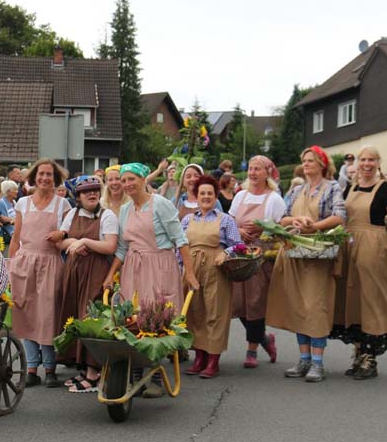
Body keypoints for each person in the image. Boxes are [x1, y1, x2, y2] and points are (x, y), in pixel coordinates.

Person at [104, 164, 194, 397]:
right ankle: (134, 373)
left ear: (144, 179)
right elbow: (123, 247)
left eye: (131, 179)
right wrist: (109, 275)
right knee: (131, 317)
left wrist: (190, 274)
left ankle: (154, 374)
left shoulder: (160, 204)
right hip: (133, 267)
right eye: (124, 181)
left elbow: (180, 240)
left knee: (155, 318)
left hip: (159, 264)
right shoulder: (124, 209)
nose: (127, 185)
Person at [265, 146, 347, 382]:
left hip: (319, 255)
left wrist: (315, 226)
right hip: (295, 255)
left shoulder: (332, 187)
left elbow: (340, 216)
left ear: (322, 164)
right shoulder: (297, 189)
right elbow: (283, 218)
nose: (307, 163)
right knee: (300, 306)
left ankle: (318, 363)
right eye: (304, 160)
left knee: (315, 307)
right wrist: (297, 220)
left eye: (311, 160)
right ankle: (304, 360)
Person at [330, 146, 387, 379]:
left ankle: (370, 357)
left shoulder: (385, 189)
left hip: (374, 245)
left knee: (371, 298)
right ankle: (359, 352)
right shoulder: (349, 187)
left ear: (378, 162)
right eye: (363, 159)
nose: (366, 164)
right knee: (352, 298)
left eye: (371, 160)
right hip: (350, 243)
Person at [9, 159, 71, 388]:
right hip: (25, 263)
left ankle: (50, 367)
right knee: (26, 314)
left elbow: (66, 235)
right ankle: (31, 369)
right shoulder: (23, 203)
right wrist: (12, 265)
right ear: (34, 177)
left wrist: (62, 235)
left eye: (49, 175)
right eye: (41, 174)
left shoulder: (62, 205)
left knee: (47, 315)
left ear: (56, 179)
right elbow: (15, 238)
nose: (45, 178)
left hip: (50, 263)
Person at [54, 178, 118, 392]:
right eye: (86, 192)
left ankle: (93, 372)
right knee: (74, 315)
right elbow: (60, 242)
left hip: (95, 271)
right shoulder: (72, 214)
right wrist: (73, 243)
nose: (92, 195)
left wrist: (86, 242)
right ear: (78, 197)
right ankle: (83, 368)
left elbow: (110, 246)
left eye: (95, 191)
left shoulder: (107, 215)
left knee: (90, 317)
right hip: (74, 271)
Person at [181, 176, 239, 378]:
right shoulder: (188, 219)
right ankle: (199, 357)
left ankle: (213, 360)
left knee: (215, 312)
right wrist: (181, 268)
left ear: (216, 197)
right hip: (191, 268)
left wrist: (226, 252)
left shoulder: (226, 219)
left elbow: (238, 245)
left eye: (210, 194)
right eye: (202, 193)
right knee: (195, 312)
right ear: (196, 197)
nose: (206, 197)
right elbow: (180, 246)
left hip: (216, 269)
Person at [229, 155, 284, 368]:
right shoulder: (240, 196)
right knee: (239, 302)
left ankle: (251, 350)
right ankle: (264, 339)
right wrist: (239, 230)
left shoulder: (274, 199)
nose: (252, 173)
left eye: (257, 169)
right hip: (241, 252)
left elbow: (281, 227)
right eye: (251, 169)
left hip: (262, 254)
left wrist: (263, 228)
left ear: (267, 173)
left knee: (255, 301)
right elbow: (230, 221)